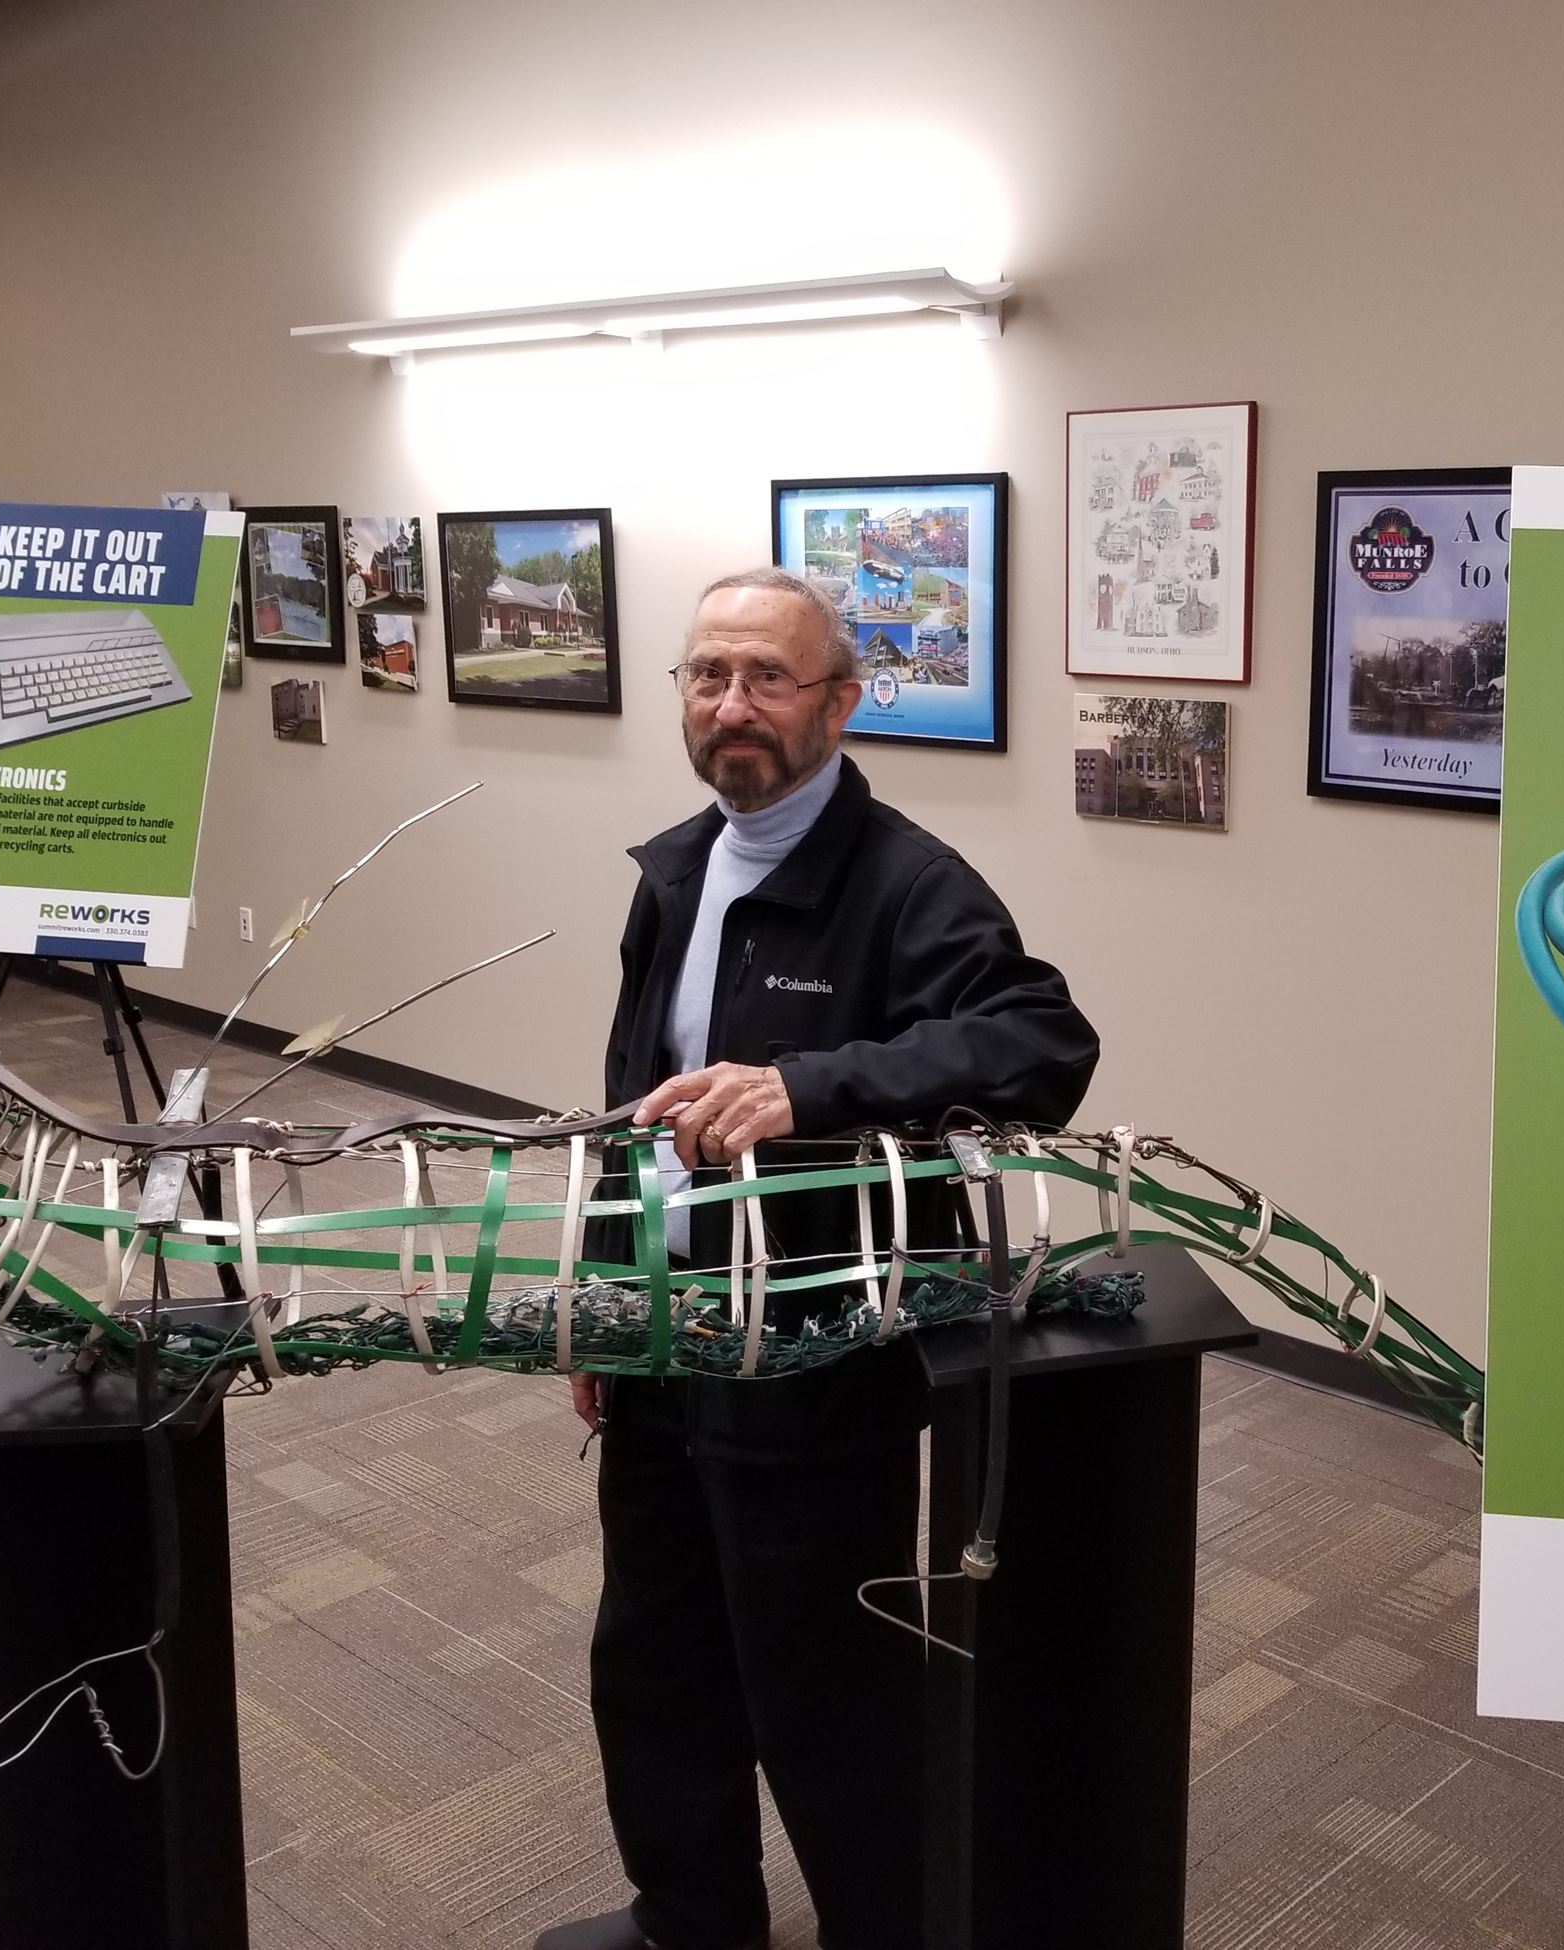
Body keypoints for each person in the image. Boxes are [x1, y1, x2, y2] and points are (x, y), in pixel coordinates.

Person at [538, 567, 1099, 1950]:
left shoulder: (906, 883)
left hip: (809, 1356)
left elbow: (1044, 1043)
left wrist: (815, 1084)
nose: (734, 705)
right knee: (653, 1659)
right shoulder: (676, 869)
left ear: (840, 702)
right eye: (709, 675)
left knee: (823, 1689)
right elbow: (637, 1109)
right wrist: (606, 1303)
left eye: (770, 679)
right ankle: (691, 1916)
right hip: (668, 1334)